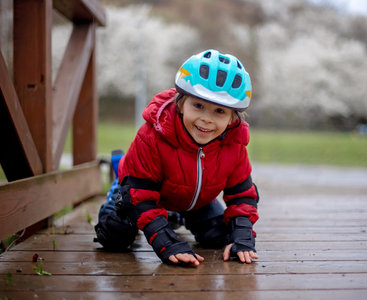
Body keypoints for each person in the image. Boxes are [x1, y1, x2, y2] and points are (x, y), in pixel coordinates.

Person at [94, 49, 259, 266]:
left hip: (192, 199)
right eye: (198, 105)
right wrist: (166, 242)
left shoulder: (234, 144)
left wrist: (242, 239)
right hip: (136, 191)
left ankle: (173, 215)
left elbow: (242, 195)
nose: (206, 119)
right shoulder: (152, 135)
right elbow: (140, 196)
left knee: (218, 236)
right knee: (115, 237)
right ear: (180, 103)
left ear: (231, 119)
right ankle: (123, 188)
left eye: (219, 111)